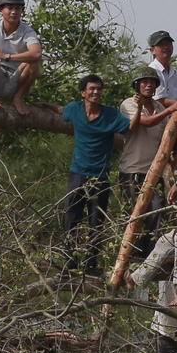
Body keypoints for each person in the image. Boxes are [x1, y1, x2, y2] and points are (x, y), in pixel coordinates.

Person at [58, 73, 131, 275]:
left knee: (96, 221)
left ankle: (91, 264)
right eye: (92, 88)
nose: (96, 92)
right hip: (77, 173)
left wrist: (141, 108)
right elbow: (59, 110)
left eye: (99, 88)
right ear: (83, 92)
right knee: (72, 218)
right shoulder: (75, 109)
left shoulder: (110, 114)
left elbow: (130, 126)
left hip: (101, 175)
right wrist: (31, 104)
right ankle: (70, 262)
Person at [117, 69, 172, 231]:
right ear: (136, 85)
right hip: (132, 171)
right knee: (134, 218)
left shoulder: (159, 107)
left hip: (154, 172)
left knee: (157, 215)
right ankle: (133, 256)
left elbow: (166, 135)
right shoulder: (129, 104)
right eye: (144, 82)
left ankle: (152, 255)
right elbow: (146, 122)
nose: (149, 85)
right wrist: (171, 109)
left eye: (152, 82)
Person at [146, 30, 177, 106]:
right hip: (159, 115)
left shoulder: (175, 72)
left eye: (168, 44)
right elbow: (159, 100)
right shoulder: (152, 71)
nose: (166, 47)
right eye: (161, 45)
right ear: (152, 50)